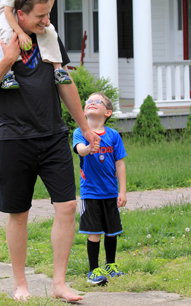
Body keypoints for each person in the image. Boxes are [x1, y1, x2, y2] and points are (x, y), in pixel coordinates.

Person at [0, 0, 100, 302]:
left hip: (53, 134)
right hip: (12, 138)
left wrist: (85, 128)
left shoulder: (49, 38)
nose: (46, 21)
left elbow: (65, 84)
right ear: (20, 15)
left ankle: (59, 283)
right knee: (18, 212)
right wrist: (7, 61)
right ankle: (20, 284)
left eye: (48, 15)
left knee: (68, 206)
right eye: (40, 16)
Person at [73, 92, 127, 286]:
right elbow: (80, 149)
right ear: (85, 110)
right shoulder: (80, 131)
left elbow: (120, 164)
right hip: (91, 193)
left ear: (108, 112)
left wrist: (122, 191)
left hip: (111, 192)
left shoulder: (113, 136)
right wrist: (90, 147)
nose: (92, 103)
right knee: (94, 232)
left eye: (98, 101)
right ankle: (93, 270)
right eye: (89, 101)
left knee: (112, 232)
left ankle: (110, 265)